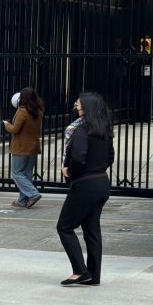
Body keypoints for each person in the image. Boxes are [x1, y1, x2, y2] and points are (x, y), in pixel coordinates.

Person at [57, 93, 114, 286]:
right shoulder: (104, 131)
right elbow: (110, 158)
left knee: (64, 227)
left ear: (87, 107)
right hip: (101, 183)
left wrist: (68, 170)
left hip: (84, 185)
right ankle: (93, 275)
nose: (76, 105)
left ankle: (80, 271)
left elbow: (79, 158)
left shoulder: (81, 130)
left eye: (79, 104)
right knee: (91, 229)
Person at [3, 87, 45, 208]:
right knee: (27, 174)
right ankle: (22, 200)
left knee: (17, 173)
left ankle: (33, 194)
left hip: (21, 147)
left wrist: (7, 125)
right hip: (33, 147)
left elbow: (15, 129)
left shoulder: (22, 111)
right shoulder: (38, 111)